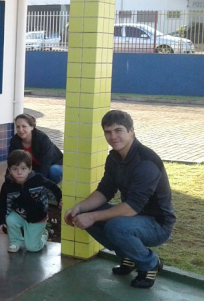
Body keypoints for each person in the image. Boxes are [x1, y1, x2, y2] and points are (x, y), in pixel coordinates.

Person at [64, 110, 175, 289]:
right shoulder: (114, 158)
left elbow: (132, 207)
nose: (113, 137)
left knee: (115, 227)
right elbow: (104, 191)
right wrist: (79, 208)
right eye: (108, 132)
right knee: (88, 213)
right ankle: (128, 257)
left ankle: (150, 264)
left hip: (158, 224)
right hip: (134, 217)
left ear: (131, 131)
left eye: (118, 130)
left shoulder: (146, 161)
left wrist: (92, 217)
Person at [0, 150, 61, 253]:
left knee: (32, 248)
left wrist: (59, 200)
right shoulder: (7, 186)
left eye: (23, 168)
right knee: (10, 219)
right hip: (20, 214)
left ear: (30, 169)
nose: (19, 172)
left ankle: (43, 234)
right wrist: (1, 221)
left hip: (37, 217)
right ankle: (16, 241)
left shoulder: (38, 180)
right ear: (9, 170)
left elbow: (53, 188)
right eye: (15, 169)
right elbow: (3, 203)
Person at [9, 114, 63, 184]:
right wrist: (8, 181)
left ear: (32, 127)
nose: (20, 130)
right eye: (18, 127)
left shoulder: (42, 138)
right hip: (37, 167)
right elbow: (12, 162)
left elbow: (46, 163)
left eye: (24, 126)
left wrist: (39, 182)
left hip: (55, 164)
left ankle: (56, 187)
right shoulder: (14, 141)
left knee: (53, 170)